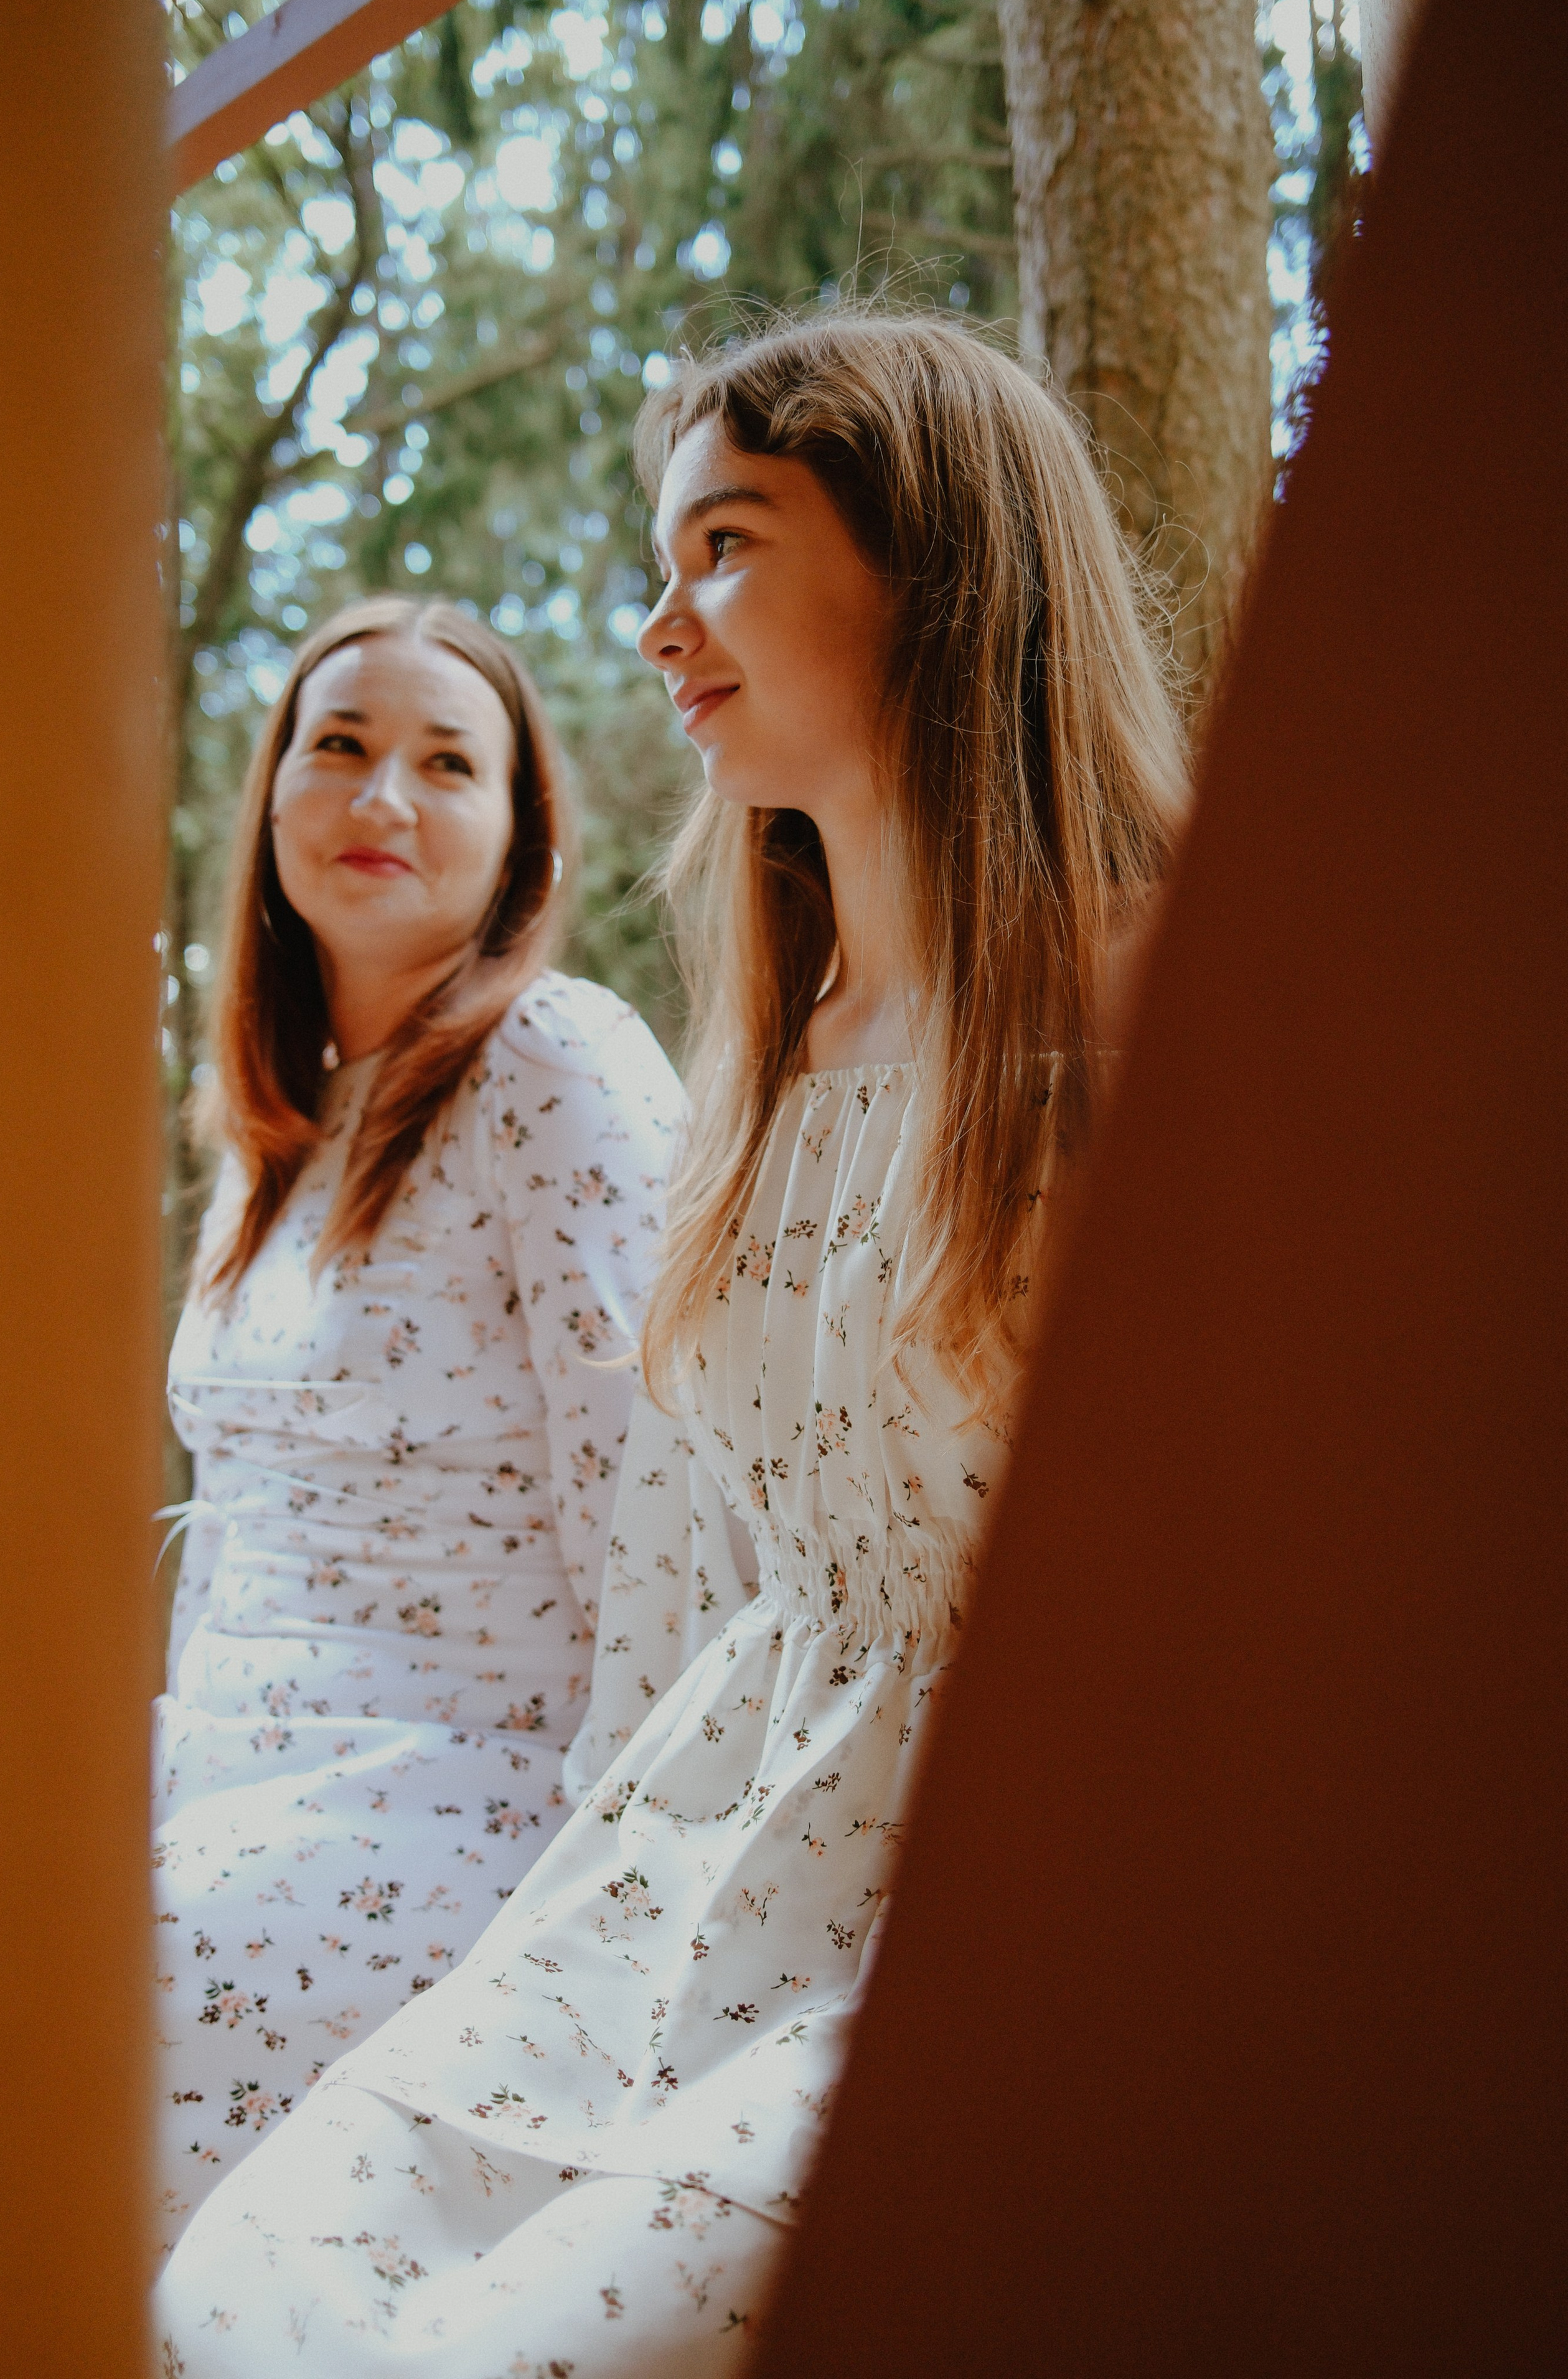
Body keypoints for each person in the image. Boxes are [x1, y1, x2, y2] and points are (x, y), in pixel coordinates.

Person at [156, 311, 1185, 2370]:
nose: (659, 622)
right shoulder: (777, 1057)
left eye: (722, 545)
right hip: (684, 1865)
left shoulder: (1154, 984)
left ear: (936, 559)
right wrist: (569, 1915)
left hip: (997, 1890)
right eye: (661, 559)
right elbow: (679, 1573)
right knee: (236, 2287)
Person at [151, 596, 683, 2256]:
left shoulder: (557, 1064)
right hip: (224, 1777)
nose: (386, 800)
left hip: (468, 1815)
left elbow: (658, 1517)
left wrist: (625, 1920)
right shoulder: (274, 1129)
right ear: (275, 804)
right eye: (344, 748)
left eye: (450, 763)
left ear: (520, 840)